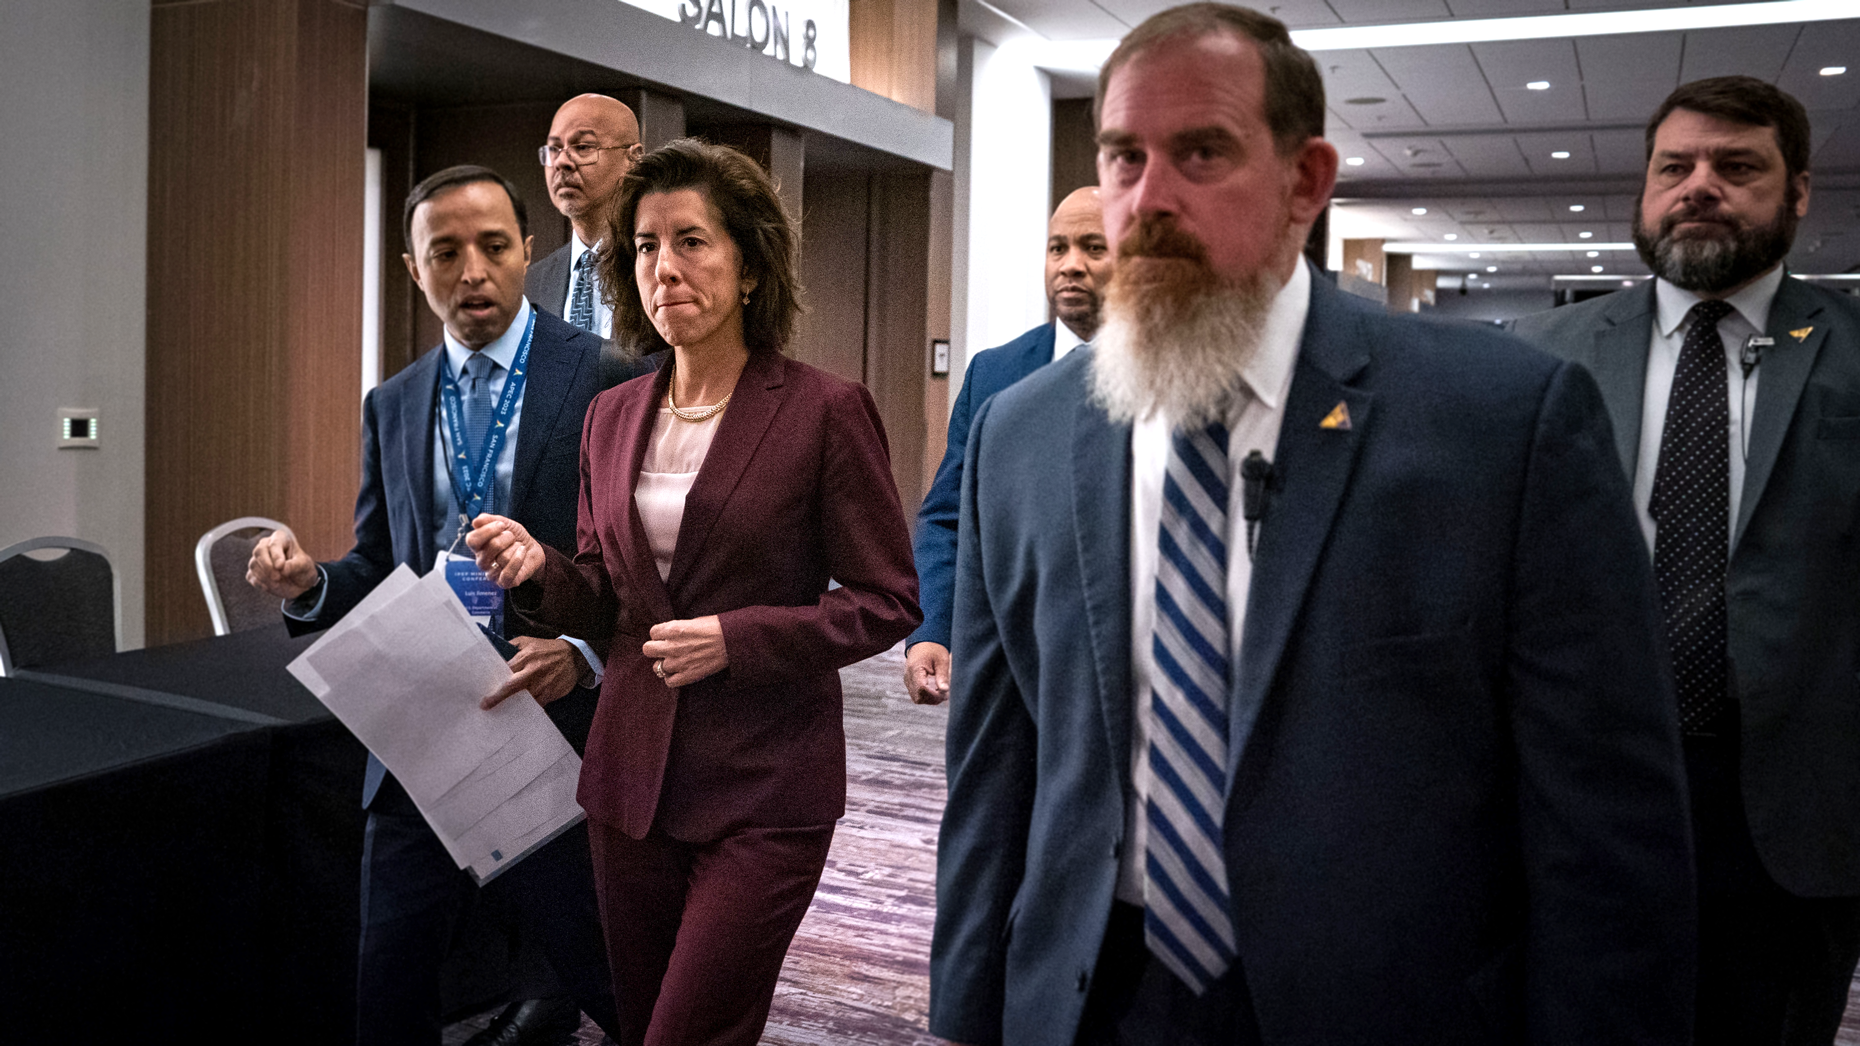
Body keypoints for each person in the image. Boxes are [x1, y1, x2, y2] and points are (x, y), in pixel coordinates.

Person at [928, 5, 1696, 1045]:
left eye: (1202, 153)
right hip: (1091, 996)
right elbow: (994, 769)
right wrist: (967, 1013)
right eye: (1122, 158)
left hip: (1384, 1001)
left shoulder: (1502, 423)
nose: (1148, 199)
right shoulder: (1021, 434)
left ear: (1306, 181)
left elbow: (1604, 824)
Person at [466, 139, 921, 1046]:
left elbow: (887, 598)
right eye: (643, 246)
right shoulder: (613, 414)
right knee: (644, 1027)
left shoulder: (824, 410)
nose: (664, 267)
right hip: (632, 781)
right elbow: (605, 596)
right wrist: (541, 569)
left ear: (749, 267)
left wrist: (738, 638)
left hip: (764, 786)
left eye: (691, 241)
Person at [246, 165, 646, 1046]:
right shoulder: (392, 403)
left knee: (611, 980)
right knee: (386, 983)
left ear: (528, 252)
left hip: (554, 725)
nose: (473, 271)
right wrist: (311, 582)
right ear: (412, 267)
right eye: (446, 252)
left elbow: (639, 566)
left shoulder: (609, 379)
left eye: (494, 247)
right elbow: (382, 564)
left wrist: (580, 652)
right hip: (424, 730)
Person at [1511, 76, 1860, 1046]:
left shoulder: (1850, 352)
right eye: (1676, 166)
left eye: (1737, 166)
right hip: (1584, 792)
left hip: (1796, 811)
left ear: (1796, 193)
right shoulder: (1542, 356)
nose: (1700, 185)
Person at [904, 186, 1112, 705]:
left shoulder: (1178, 377)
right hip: (1006, 665)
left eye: (1095, 247)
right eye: (1057, 248)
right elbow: (949, 516)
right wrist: (932, 626)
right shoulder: (995, 373)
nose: (1070, 265)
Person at [527, 93, 644, 341]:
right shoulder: (531, 283)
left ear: (634, 159)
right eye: (554, 149)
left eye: (582, 147)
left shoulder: (659, 270)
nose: (561, 162)